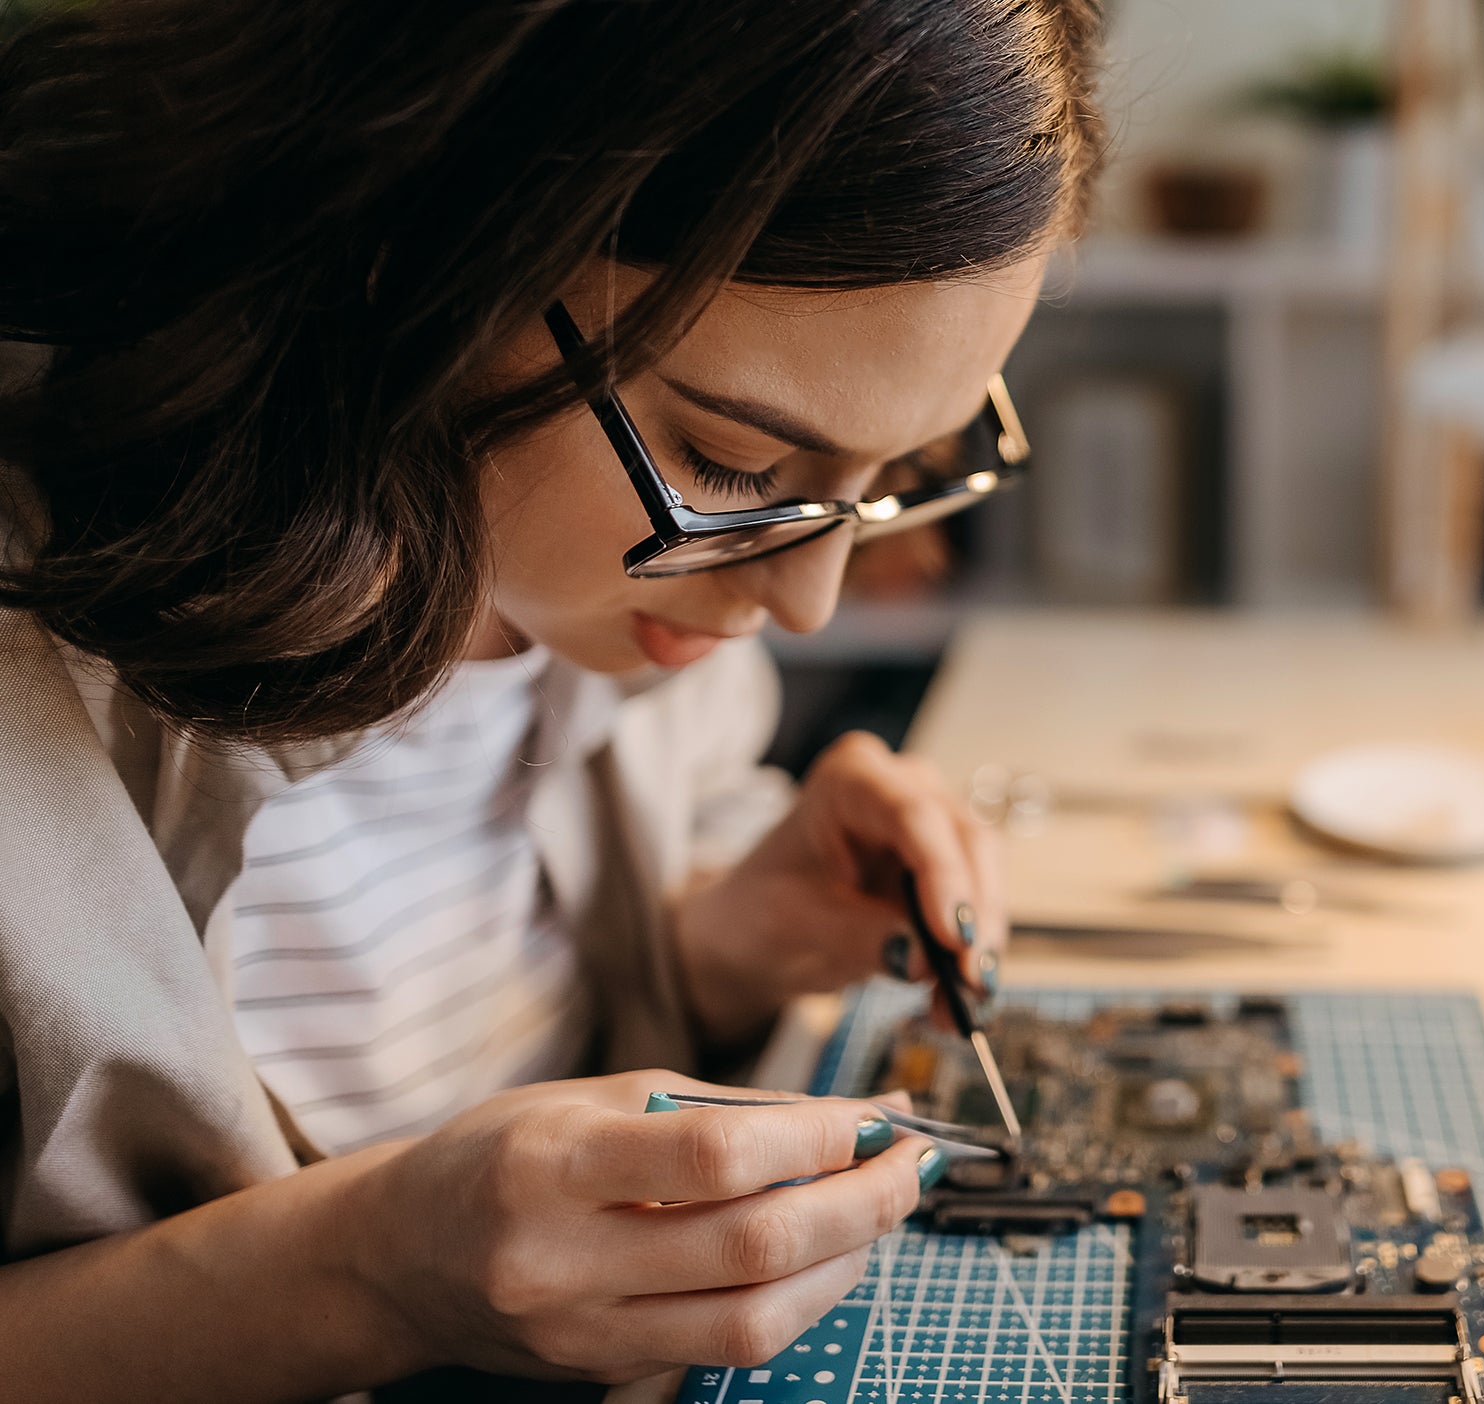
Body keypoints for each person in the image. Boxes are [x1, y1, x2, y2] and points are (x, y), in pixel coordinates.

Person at [0, 0, 1102, 1396]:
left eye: (894, 472)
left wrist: (707, 948)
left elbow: (472, 1068)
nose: (807, 602)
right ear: (418, 224)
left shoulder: (613, 594)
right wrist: (356, 1276)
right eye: (740, 464)